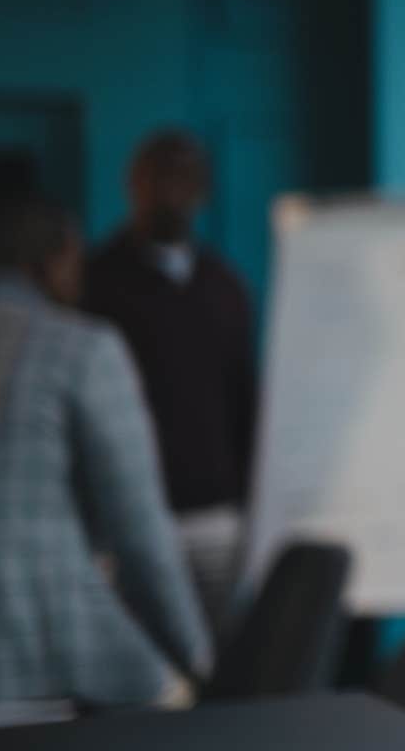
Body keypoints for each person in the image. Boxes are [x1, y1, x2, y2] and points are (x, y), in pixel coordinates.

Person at [0, 193, 212, 717]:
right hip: (40, 664)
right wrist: (195, 654)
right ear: (58, 260)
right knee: (179, 704)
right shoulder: (81, 348)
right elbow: (140, 531)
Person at [83, 130, 257, 626]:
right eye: (158, 178)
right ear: (133, 184)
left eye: (185, 179)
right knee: (140, 675)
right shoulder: (95, 281)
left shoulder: (225, 286)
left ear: (203, 190)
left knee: (219, 668)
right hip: (125, 518)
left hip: (217, 519)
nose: (171, 192)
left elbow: (244, 398)